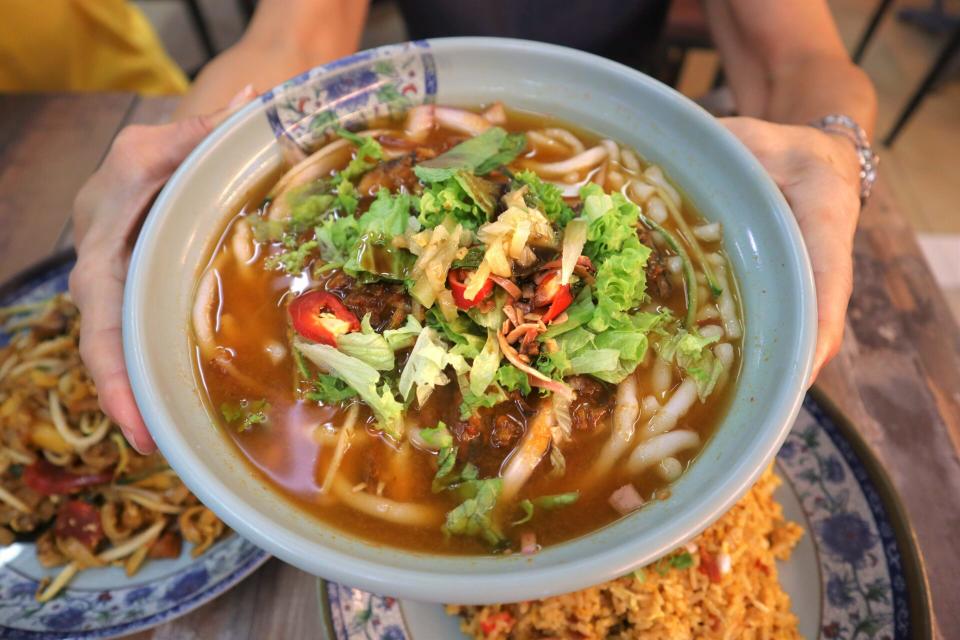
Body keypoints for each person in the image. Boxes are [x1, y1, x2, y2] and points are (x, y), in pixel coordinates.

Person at [70, 0, 877, 453]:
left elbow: (794, 57)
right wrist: (196, 158)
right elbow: (293, 35)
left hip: (637, 106)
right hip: (430, 126)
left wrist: (839, 150)